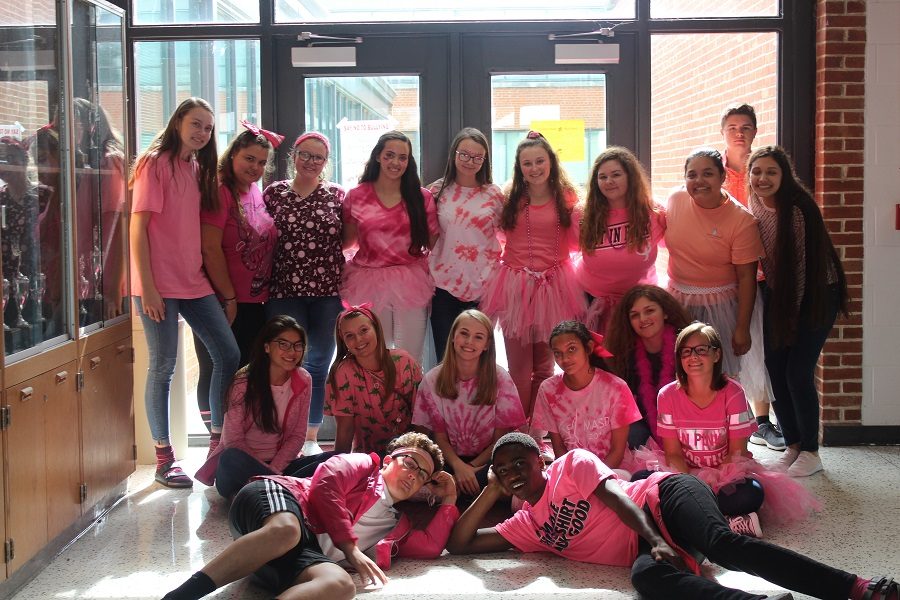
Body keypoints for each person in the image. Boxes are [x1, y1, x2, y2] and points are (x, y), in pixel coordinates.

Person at [447, 432, 899, 600]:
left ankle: (854, 587)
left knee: (723, 545)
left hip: (661, 497)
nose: (511, 473)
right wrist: (490, 489)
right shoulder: (526, 525)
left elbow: (619, 499)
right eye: (502, 469)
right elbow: (461, 544)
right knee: (646, 580)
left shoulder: (572, 464)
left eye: (517, 464)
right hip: (649, 543)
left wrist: (659, 537)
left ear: (538, 461)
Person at [163, 432, 460, 600]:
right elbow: (326, 482)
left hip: (298, 551)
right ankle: (181, 596)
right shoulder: (363, 464)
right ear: (387, 461)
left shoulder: (397, 524)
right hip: (277, 500)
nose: (414, 475)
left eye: (423, 475)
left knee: (340, 585)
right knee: (286, 531)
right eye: (410, 463)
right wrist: (350, 548)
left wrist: (449, 499)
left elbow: (430, 546)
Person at [129, 97, 241, 487]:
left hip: (193, 281)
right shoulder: (154, 163)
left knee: (228, 352)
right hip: (157, 285)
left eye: (208, 128)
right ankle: (164, 459)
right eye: (196, 124)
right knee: (163, 367)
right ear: (177, 121)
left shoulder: (197, 168)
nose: (201, 132)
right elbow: (138, 229)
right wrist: (147, 288)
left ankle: (218, 444)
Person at [650, 322, 819, 532]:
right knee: (648, 486)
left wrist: (711, 486)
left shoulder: (733, 392)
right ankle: (730, 522)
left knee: (751, 493)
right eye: (686, 352)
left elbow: (736, 452)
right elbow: (673, 453)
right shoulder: (667, 395)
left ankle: (700, 520)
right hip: (686, 473)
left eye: (701, 350)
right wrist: (692, 486)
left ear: (716, 355)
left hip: (726, 474)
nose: (693, 356)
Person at [748, 146, 849, 477]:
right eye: (757, 171)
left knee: (797, 372)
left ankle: (811, 450)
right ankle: (791, 444)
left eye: (771, 172)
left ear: (784, 176)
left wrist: (789, 316)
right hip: (780, 296)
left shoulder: (798, 210)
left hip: (816, 295)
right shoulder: (754, 203)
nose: (762, 178)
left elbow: (804, 270)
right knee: (775, 370)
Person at [480, 131, 585, 437]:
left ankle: (536, 434)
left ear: (551, 162)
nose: (534, 168)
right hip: (516, 285)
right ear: (519, 166)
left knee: (545, 367)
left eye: (540, 161)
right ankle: (516, 430)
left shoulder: (567, 197)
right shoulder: (510, 197)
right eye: (527, 163)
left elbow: (578, 239)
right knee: (518, 369)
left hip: (556, 285)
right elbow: (495, 229)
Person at [664, 148, 772, 441]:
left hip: (721, 303)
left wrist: (741, 328)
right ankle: (685, 438)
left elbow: (747, 278)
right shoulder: (675, 200)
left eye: (708, 173)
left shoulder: (741, 220)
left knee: (719, 376)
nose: (699, 181)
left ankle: (726, 441)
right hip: (677, 299)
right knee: (678, 373)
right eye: (692, 175)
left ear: (723, 177)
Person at [194, 121, 279, 437]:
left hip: (255, 301)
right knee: (219, 368)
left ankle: (237, 438)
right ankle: (217, 441)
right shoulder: (220, 190)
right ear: (232, 156)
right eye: (248, 159)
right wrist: (228, 297)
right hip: (223, 300)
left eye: (261, 162)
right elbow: (209, 247)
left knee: (245, 373)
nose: (255, 167)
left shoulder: (254, 190)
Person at [263, 131, 345, 456]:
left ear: (326, 162)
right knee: (284, 361)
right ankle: (281, 432)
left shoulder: (337, 195)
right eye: (305, 155)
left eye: (318, 157)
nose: (311, 162)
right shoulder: (274, 193)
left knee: (319, 361)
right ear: (293, 156)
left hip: (327, 292)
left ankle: (309, 437)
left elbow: (351, 239)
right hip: (284, 291)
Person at [718, 104, 785, 451]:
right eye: (732, 127)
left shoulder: (763, 171)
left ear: (756, 132)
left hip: (760, 273)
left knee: (758, 347)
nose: (739, 133)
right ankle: (724, 418)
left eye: (746, 127)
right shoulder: (715, 172)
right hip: (721, 275)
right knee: (728, 348)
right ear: (722, 132)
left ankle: (762, 421)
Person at [195, 316, 322, 498]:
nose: (291, 351)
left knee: (331, 459)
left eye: (297, 345)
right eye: (283, 344)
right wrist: (272, 473)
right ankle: (283, 488)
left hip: (281, 464)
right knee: (231, 457)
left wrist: (275, 468)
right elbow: (233, 441)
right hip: (241, 467)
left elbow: (297, 436)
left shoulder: (304, 380)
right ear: (267, 347)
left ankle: (266, 489)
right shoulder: (243, 382)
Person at [341, 131, 439, 364]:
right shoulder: (356, 196)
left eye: (402, 157)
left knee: (410, 357)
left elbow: (433, 240)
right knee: (374, 354)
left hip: (411, 280)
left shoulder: (421, 197)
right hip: (368, 280)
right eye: (389, 155)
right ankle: (377, 400)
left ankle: (410, 399)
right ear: (378, 157)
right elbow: (348, 241)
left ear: (409, 161)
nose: (396, 162)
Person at [412, 309, 525, 499]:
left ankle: (453, 489)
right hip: (450, 459)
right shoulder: (432, 380)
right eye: (464, 333)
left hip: (489, 458)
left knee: (517, 460)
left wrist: (470, 469)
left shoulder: (501, 378)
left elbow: (500, 439)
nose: (469, 342)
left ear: (487, 345)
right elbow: (439, 438)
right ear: (453, 337)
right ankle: (471, 489)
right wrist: (459, 466)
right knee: (417, 463)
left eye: (478, 337)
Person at [427, 128, 504, 361]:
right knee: (445, 355)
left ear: (485, 160)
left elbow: (506, 235)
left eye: (477, 157)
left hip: (484, 284)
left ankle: (480, 399)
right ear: (454, 155)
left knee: (480, 358)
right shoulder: (436, 191)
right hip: (443, 284)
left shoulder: (494, 194)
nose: (470, 161)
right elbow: (429, 238)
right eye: (464, 155)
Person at [531, 320, 641, 474]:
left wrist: (593, 480)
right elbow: (559, 448)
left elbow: (617, 451)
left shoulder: (616, 388)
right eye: (558, 353)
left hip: (614, 472)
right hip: (572, 473)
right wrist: (573, 478)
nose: (565, 359)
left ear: (588, 348)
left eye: (572, 349)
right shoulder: (548, 389)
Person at [577, 147, 666, 333]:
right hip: (592, 302)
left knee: (636, 360)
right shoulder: (582, 216)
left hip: (640, 303)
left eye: (616, 174)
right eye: (602, 177)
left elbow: (677, 247)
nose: (609, 181)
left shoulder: (653, 212)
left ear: (630, 177)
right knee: (600, 361)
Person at [325, 302, 422, 455]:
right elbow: (345, 428)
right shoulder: (342, 372)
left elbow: (422, 416)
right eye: (349, 336)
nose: (359, 339)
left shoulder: (404, 362)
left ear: (376, 328)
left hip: (407, 453)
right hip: (367, 456)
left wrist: (416, 456)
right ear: (343, 341)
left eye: (364, 330)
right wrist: (338, 467)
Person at [605, 285, 692, 448]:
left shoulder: (688, 345)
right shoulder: (624, 352)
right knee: (632, 435)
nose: (643, 319)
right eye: (635, 315)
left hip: (687, 420)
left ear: (665, 312)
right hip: (645, 423)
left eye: (649, 311)